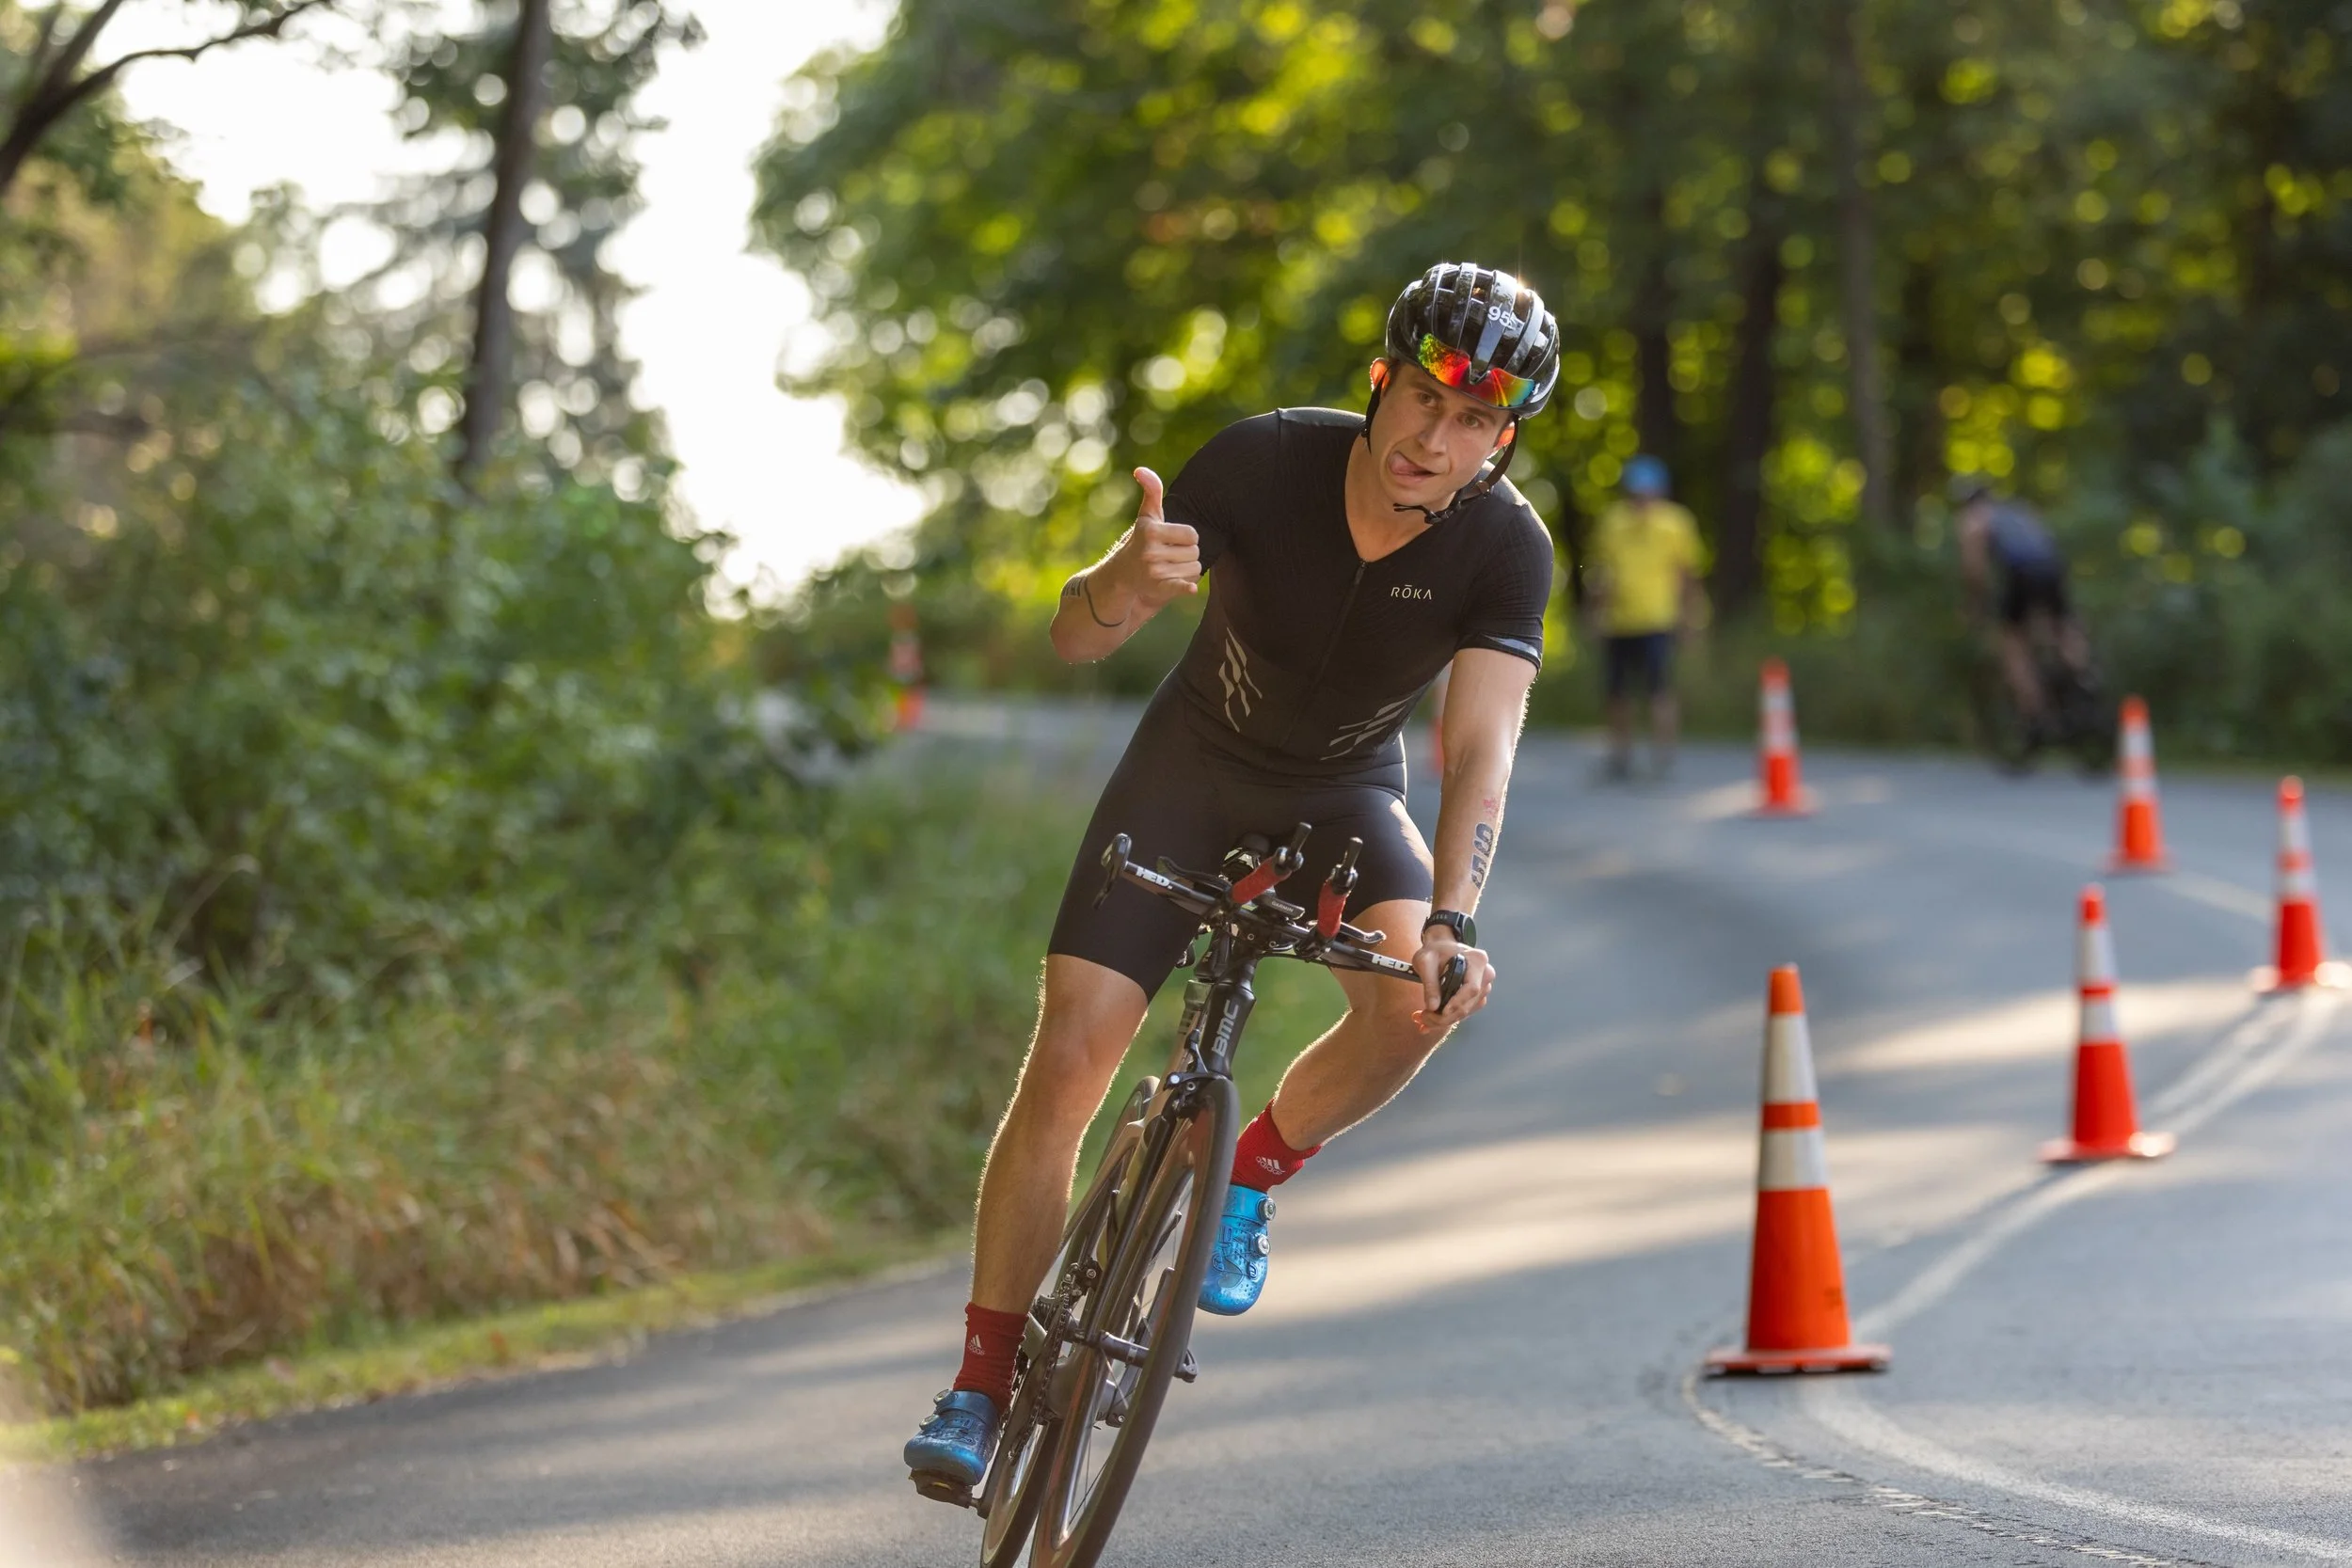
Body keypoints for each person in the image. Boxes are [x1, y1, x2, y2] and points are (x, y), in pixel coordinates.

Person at [903, 262, 1562, 1495]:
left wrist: (1457, 920)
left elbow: (1480, 748)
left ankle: (1251, 1173)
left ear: (1503, 433)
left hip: (1346, 795)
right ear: (1383, 379)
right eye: (1423, 396)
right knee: (1073, 1054)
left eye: (1474, 418)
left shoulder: (1506, 547)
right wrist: (1119, 584)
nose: (1435, 436)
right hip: (1189, 771)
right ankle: (979, 1387)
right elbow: (1076, 631)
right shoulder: (1262, 461)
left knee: (1427, 997)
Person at [1583, 454, 1703, 779]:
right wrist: (1595, 613)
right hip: (1618, 622)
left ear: (1659, 492)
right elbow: (1601, 574)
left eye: (1647, 494)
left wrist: (1691, 618)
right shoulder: (1612, 522)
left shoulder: (1676, 523)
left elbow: (1686, 574)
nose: (1642, 501)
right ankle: (1620, 757)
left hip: (1658, 620)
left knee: (1659, 691)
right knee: (1616, 693)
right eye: (1637, 494)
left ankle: (1664, 757)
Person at [1952, 477, 2089, 739]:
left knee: (2012, 640)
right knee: (2062, 626)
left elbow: (1974, 569)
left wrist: (1976, 602)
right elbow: (2048, 541)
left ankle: (2034, 714)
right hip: (2052, 568)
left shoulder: (1974, 518)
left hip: (2020, 572)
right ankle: (2081, 679)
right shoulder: (2019, 510)